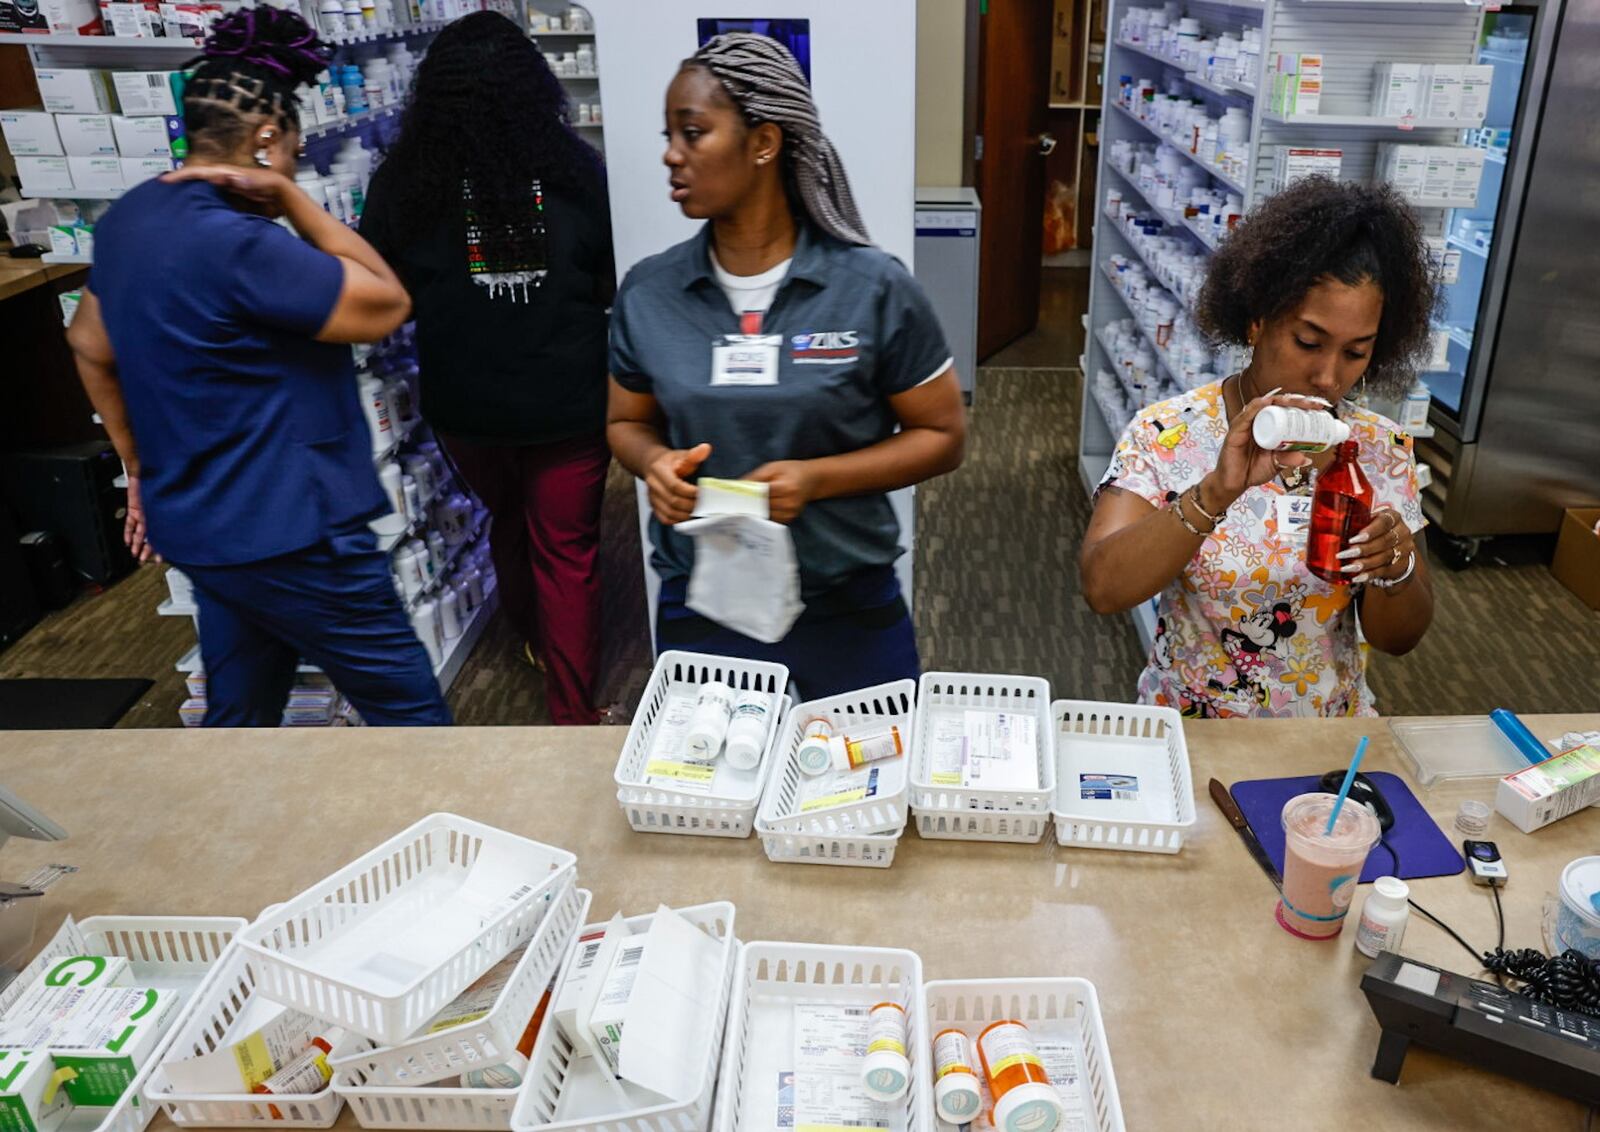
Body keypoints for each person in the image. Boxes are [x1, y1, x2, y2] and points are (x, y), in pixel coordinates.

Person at [66, 7, 451, 727]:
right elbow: (387, 302)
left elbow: (89, 343)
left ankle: (233, 833)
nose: (299, 159)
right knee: (411, 716)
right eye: (295, 148)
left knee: (240, 718)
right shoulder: (243, 244)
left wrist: (138, 466)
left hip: (208, 533)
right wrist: (294, 201)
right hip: (297, 532)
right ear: (268, 138)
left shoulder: (129, 220)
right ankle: (459, 830)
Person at [606, 32, 967, 699]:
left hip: (845, 600)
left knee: (872, 791)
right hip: (704, 600)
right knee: (711, 797)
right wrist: (653, 463)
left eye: (693, 133)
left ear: (764, 143)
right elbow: (626, 422)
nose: (670, 154)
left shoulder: (872, 287)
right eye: (669, 134)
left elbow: (943, 438)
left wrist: (817, 479)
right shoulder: (650, 292)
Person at [1079, 177, 1437, 718]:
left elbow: (1399, 639)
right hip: (1192, 732)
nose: (1326, 376)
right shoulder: (1169, 433)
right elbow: (1103, 587)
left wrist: (1395, 567)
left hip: (1324, 736)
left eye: (1355, 353)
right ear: (1256, 320)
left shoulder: (1378, 449)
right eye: (1308, 342)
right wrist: (1213, 494)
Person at [360, 12, 613, 725]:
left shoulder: (406, 184)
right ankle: (572, 712)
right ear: (534, 86)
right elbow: (606, 278)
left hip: (465, 402)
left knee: (506, 519)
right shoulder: (574, 170)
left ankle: (533, 638)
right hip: (569, 399)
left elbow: (389, 291)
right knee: (567, 550)